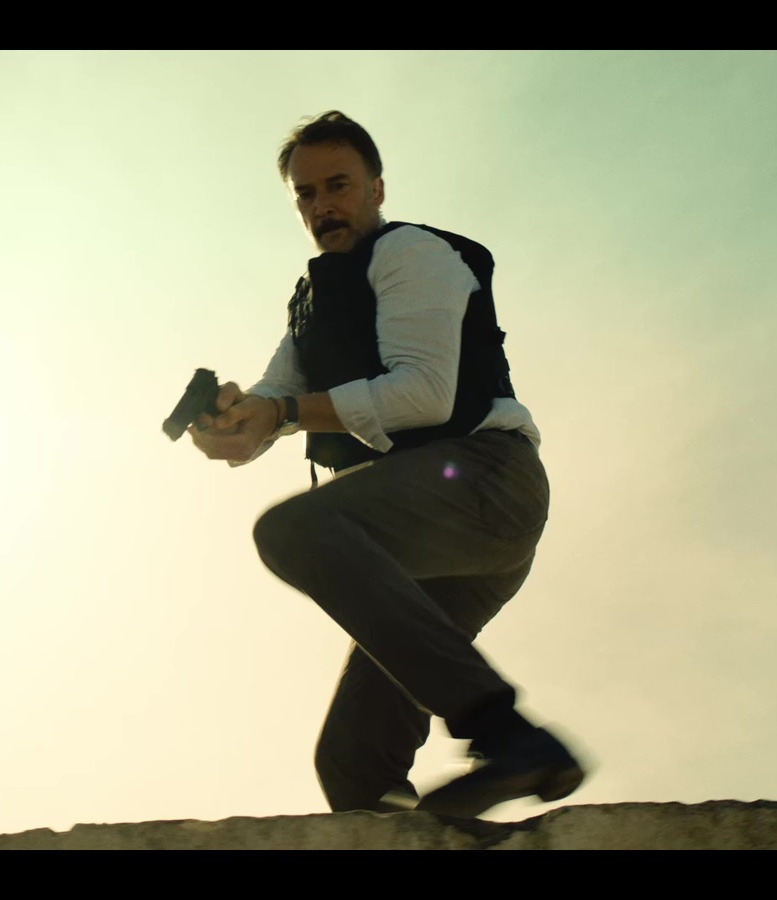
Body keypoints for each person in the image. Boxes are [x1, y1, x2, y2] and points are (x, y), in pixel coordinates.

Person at [188, 111, 585, 818]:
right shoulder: (313, 306)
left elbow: (425, 393)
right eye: (305, 195)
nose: (322, 207)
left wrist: (280, 414)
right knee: (352, 764)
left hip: (487, 485)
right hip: (428, 542)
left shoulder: (412, 254)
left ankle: (506, 733)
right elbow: (270, 411)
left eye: (337, 186)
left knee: (295, 532)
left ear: (375, 187)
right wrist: (230, 425)